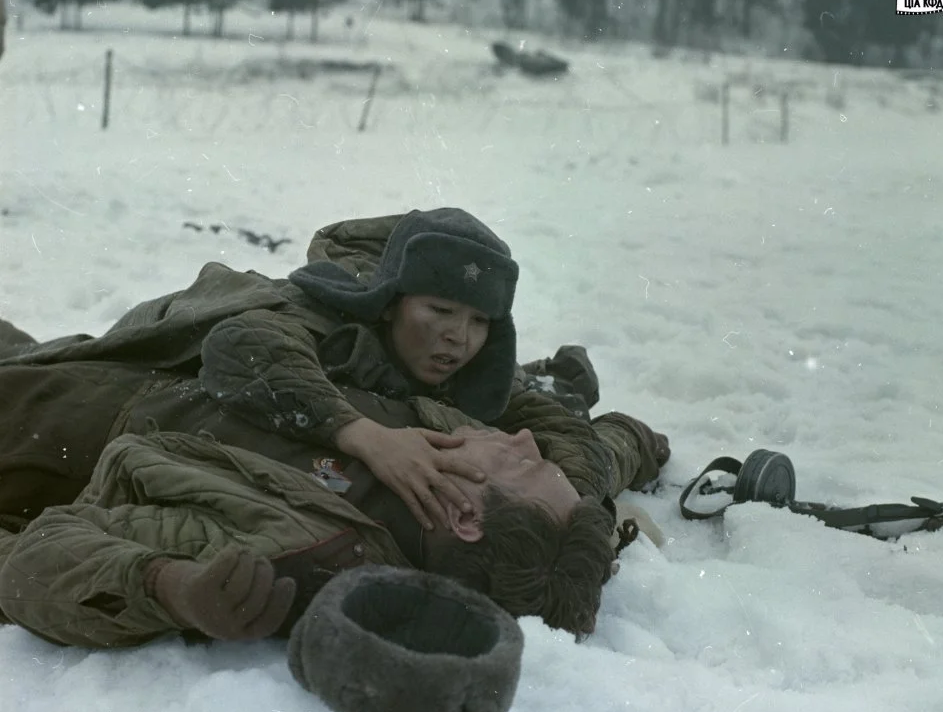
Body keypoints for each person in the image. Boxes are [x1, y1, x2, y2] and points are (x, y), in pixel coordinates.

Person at [0, 208, 618, 533]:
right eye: (440, 310)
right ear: (394, 301)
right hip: (145, 368)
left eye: (480, 320)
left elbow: (551, 425)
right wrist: (367, 437)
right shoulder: (327, 312)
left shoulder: (458, 359)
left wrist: (576, 504)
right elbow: (243, 346)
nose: (459, 336)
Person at [0, 381, 668, 648]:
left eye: (525, 465)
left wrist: (170, 589)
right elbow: (589, 455)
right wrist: (639, 441)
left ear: (466, 517)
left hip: (87, 422)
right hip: (199, 354)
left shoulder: (298, 552)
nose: (524, 443)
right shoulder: (473, 476)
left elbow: (35, 561)